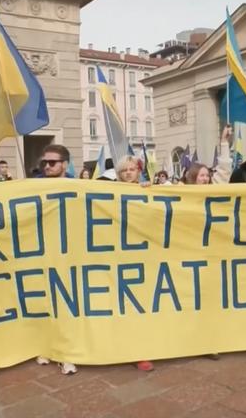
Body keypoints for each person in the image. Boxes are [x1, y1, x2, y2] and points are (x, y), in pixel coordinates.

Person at [35, 144, 78, 375]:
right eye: (44, 163)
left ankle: (66, 353)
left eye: (52, 162)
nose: (47, 166)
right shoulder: (33, 186)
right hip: (42, 253)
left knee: (67, 303)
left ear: (65, 165)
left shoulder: (78, 186)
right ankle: (46, 347)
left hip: (71, 254)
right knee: (44, 301)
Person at [115, 155, 155, 371]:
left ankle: (142, 350)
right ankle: (128, 349)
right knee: (124, 305)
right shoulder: (108, 192)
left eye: (132, 169)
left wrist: (150, 190)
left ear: (138, 171)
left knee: (142, 303)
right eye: (125, 170)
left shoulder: (147, 190)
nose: (129, 173)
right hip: (118, 258)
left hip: (143, 257)